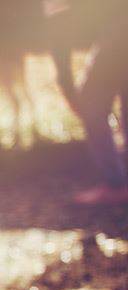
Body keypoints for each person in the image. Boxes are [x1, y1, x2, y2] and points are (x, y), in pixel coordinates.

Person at [45, 0, 128, 205]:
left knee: (92, 99)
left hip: (119, 29)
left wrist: (66, 84)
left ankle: (116, 184)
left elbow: (59, 33)